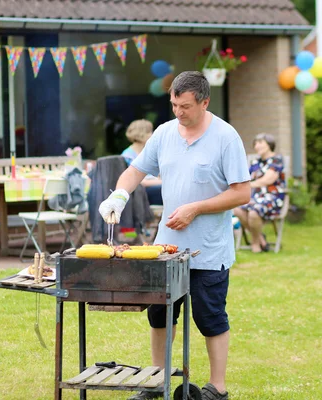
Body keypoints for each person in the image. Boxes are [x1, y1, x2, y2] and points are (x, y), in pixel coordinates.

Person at [98, 71, 251, 400]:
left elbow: (242, 193)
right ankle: (158, 381)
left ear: (204, 102)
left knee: (209, 315)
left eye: (184, 106)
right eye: (173, 105)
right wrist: (119, 196)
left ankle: (217, 388)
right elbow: (135, 170)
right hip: (166, 247)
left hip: (209, 249)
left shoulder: (226, 137)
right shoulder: (165, 134)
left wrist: (196, 208)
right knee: (159, 312)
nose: (178, 112)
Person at [233, 133, 286, 253]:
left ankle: (255, 244)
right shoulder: (255, 162)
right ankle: (261, 238)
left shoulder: (276, 160)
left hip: (272, 197)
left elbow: (268, 179)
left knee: (253, 212)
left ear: (269, 144)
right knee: (237, 209)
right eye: (255, 144)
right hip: (255, 197)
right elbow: (244, 178)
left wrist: (249, 185)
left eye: (260, 143)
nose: (256, 146)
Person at [121, 119, 163, 205]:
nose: (152, 135)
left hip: (152, 185)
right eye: (150, 132)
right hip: (141, 191)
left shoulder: (148, 152)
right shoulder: (127, 155)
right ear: (142, 134)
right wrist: (162, 182)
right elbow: (137, 181)